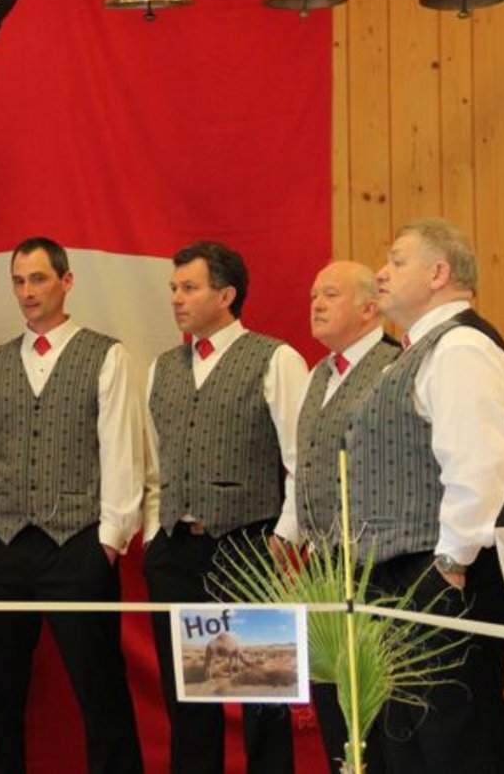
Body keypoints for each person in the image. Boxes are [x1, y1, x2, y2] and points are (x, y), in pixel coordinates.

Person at [0, 236, 144, 774]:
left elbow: (122, 452)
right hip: (3, 544)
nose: (27, 291)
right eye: (18, 280)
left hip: (77, 544)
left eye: (38, 278)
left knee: (100, 686)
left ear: (66, 281)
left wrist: (108, 541)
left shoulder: (107, 355)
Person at [345, 218, 504, 773]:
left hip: (445, 572)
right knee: (415, 740)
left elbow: (478, 465)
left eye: (397, 261)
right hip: (409, 571)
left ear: (439, 273)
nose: (381, 272)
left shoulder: (461, 347)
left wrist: (450, 563)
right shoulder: (419, 352)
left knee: (455, 736)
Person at [142, 240, 308, 774]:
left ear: (226, 295)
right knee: (189, 697)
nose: (176, 298)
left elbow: (301, 457)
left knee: (262, 691)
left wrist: (284, 535)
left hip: (247, 545)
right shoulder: (161, 368)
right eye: (174, 288)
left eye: (189, 287)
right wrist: (154, 532)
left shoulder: (276, 359)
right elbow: (156, 463)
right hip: (175, 550)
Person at [271, 260, 398, 771]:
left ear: (370, 308)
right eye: (312, 297)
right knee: (331, 699)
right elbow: (301, 463)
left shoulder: (393, 367)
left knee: (377, 706)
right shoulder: (317, 374)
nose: (316, 305)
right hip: (322, 563)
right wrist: (287, 530)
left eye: (330, 295)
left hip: (375, 562)